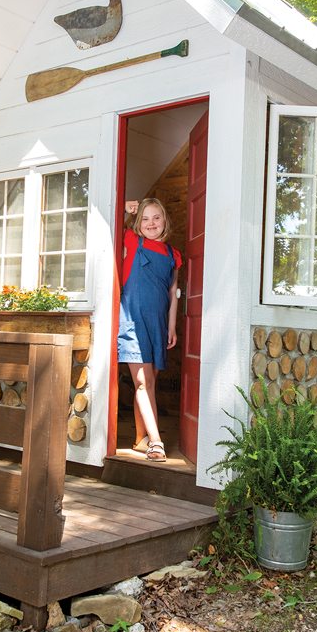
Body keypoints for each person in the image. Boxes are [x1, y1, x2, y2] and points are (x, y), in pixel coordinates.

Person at [117, 197, 181, 462]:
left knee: (147, 383)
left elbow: (173, 293)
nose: (151, 223)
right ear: (137, 223)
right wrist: (124, 208)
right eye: (144, 218)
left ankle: (140, 439)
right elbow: (113, 225)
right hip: (133, 320)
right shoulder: (132, 242)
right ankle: (156, 443)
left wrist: (172, 326)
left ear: (164, 220)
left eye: (156, 217)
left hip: (158, 323)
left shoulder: (173, 254)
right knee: (143, 382)